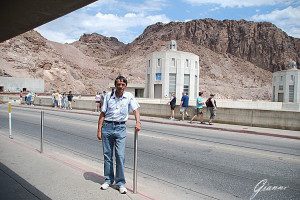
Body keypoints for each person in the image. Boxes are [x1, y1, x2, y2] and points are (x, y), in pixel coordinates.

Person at [97, 75, 141, 194]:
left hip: (121, 128)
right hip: (107, 127)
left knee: (120, 156)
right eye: (118, 84)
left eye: (123, 84)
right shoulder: (108, 96)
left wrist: (138, 122)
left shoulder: (129, 96)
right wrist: (99, 130)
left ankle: (120, 183)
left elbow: (136, 110)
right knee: (107, 155)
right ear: (115, 85)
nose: (120, 86)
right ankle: (108, 180)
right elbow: (102, 113)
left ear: (125, 86)